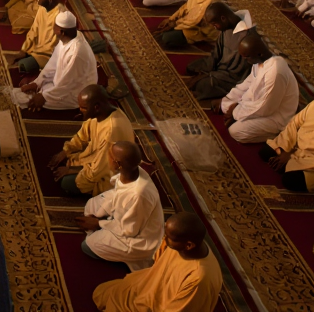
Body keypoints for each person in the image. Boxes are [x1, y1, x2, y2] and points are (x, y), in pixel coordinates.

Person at [90, 212, 223, 312]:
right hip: (150, 288)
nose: (164, 237)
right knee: (103, 293)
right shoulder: (186, 246)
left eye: (169, 237)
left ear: (188, 245)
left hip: (163, 307)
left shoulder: (199, 277)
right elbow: (159, 265)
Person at [76, 141, 163, 270]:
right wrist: (100, 215)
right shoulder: (132, 172)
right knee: (92, 204)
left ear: (118, 164)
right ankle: (105, 226)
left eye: (110, 155)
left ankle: (123, 253)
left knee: (88, 245)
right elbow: (118, 194)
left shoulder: (139, 195)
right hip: (126, 219)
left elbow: (129, 230)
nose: (107, 157)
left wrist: (98, 223)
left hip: (139, 239)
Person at [49, 85, 135, 197]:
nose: (80, 110)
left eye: (83, 108)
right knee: (67, 159)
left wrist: (70, 170)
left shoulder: (111, 131)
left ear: (96, 107)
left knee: (66, 182)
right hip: (98, 162)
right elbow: (81, 137)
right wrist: (65, 151)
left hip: (110, 175)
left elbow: (99, 170)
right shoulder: (101, 114)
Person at [218, 33, 299, 143]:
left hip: (275, 115)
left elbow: (266, 108)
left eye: (246, 57)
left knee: (235, 131)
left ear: (259, 53)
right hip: (255, 104)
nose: (245, 60)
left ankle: (278, 134)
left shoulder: (275, 73)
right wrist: (228, 101)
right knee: (225, 105)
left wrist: (235, 112)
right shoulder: (259, 61)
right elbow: (247, 84)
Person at [15, 11, 98, 111]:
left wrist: (44, 96)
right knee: (35, 90)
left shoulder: (76, 53)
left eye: (55, 27)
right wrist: (37, 83)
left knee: (31, 100)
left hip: (77, 92)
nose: (53, 30)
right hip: (63, 83)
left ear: (61, 32)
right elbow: (52, 65)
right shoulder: (68, 38)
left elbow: (68, 83)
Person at [186, 4, 256, 100]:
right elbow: (216, 53)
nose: (215, 28)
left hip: (231, 76)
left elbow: (237, 72)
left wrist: (210, 74)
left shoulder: (246, 37)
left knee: (202, 85)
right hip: (220, 69)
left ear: (223, 18)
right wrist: (208, 69)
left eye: (215, 24)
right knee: (191, 67)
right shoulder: (227, 25)